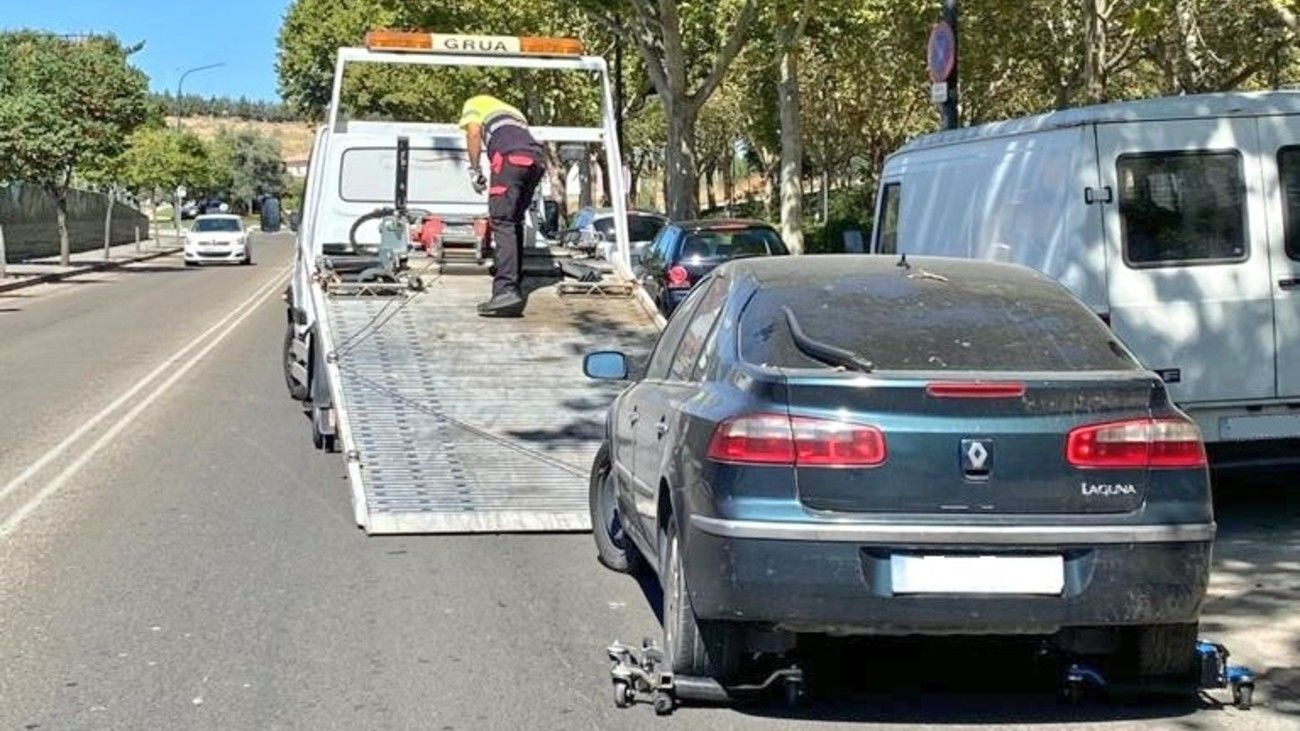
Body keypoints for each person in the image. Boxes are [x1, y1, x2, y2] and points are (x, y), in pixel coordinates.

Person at [458, 94, 546, 317]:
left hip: (510, 158)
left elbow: (474, 132)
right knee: (514, 219)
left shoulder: (474, 103)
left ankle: (505, 291)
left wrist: (475, 170)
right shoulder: (514, 112)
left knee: (502, 220)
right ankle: (511, 275)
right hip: (536, 161)